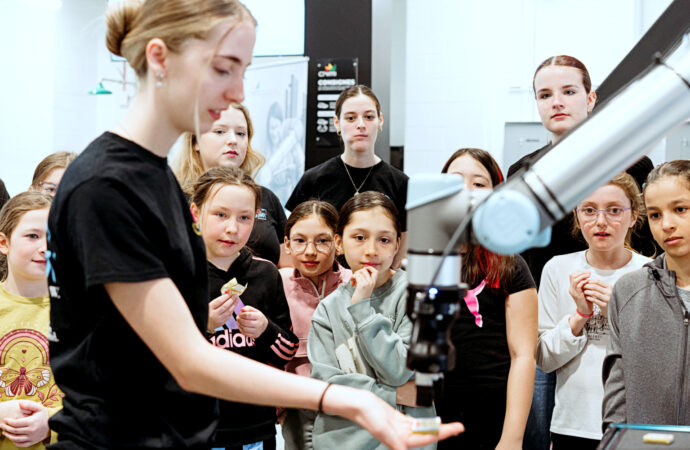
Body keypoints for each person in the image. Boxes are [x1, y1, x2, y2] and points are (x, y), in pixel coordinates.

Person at [44, 1, 462, 448]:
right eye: (224, 69)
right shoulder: (109, 186)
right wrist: (349, 400)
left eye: (243, 71)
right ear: (159, 57)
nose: (238, 92)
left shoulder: (152, 178)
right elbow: (187, 358)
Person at [308, 191, 436, 449]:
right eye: (359, 237)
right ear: (339, 242)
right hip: (342, 441)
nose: (371, 250)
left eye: (384, 240)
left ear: (397, 245)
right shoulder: (326, 310)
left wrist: (362, 309)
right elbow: (328, 388)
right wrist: (396, 394)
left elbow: (399, 369)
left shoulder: (417, 296)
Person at [537, 173, 650, 449]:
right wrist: (580, 316)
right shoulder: (557, 269)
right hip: (571, 423)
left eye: (614, 210)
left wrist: (621, 312)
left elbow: (659, 360)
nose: (601, 222)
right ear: (577, 217)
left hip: (633, 422)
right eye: (589, 210)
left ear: (633, 215)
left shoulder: (650, 272)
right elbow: (543, 358)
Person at [189, 166, 298, 449]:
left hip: (254, 427)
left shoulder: (265, 274)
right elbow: (159, 356)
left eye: (245, 217)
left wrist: (265, 330)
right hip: (194, 426)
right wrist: (204, 325)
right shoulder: (180, 274)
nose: (232, 228)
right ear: (195, 213)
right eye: (220, 214)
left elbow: (288, 349)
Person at [437, 148, 537, 450]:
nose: (467, 190)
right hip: (434, 412)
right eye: (456, 181)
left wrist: (512, 437)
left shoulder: (510, 263)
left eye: (479, 184)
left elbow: (524, 356)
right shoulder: (424, 259)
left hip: (495, 413)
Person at [603, 160, 690, 428]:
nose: (667, 224)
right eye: (655, 215)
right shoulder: (629, 290)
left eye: (680, 209)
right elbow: (617, 392)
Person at [286, 85, 408, 268]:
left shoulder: (400, 183)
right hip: (326, 286)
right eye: (351, 118)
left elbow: (402, 245)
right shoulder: (314, 179)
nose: (360, 124)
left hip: (381, 285)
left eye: (369, 117)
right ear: (337, 122)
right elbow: (294, 237)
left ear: (380, 121)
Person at [174, 103, 287, 265]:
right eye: (220, 131)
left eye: (241, 133)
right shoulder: (174, 200)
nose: (233, 140)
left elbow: (287, 269)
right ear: (195, 141)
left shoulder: (266, 198)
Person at [279, 200, 351, 449]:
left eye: (322, 241)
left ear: (338, 243)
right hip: (299, 407)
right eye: (300, 241)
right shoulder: (276, 282)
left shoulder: (355, 284)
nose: (310, 251)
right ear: (287, 244)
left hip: (348, 404)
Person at [0, 191, 63, 449]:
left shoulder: (78, 314)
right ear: (4, 243)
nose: (44, 247)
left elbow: (98, 397)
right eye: (33, 236)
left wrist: (51, 424)